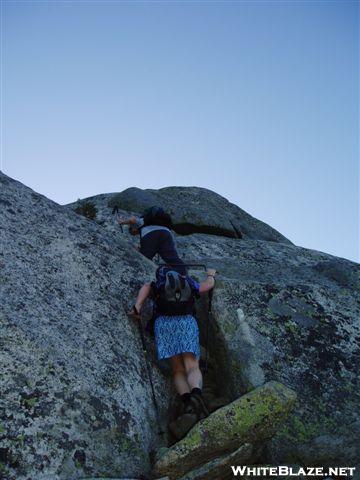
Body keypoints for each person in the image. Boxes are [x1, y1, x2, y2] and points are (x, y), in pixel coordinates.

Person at [129, 265, 217, 418]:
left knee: (177, 369)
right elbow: (208, 286)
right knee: (192, 365)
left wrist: (137, 308)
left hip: (164, 325)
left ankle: (187, 402)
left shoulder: (157, 285)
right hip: (186, 323)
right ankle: (196, 394)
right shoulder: (188, 282)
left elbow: (145, 288)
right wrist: (211, 275)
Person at [117, 206, 187, 275]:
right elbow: (153, 248)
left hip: (151, 233)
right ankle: (184, 275)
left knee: (143, 258)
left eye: (132, 232)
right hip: (166, 233)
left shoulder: (142, 220)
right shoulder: (158, 222)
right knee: (173, 259)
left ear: (133, 227)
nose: (134, 234)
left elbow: (132, 220)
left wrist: (122, 222)